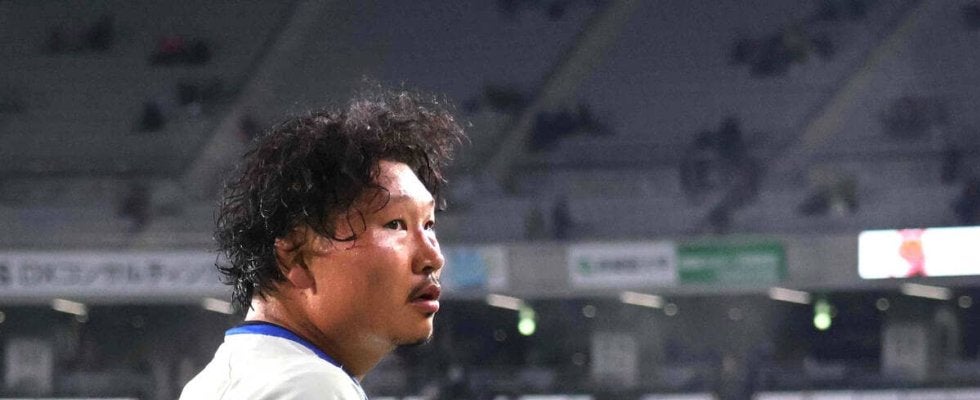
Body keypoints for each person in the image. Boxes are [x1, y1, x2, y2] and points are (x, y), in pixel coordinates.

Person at [179, 89, 465, 399]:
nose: (433, 257)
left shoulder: (211, 382)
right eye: (395, 224)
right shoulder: (311, 385)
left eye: (428, 224)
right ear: (296, 258)